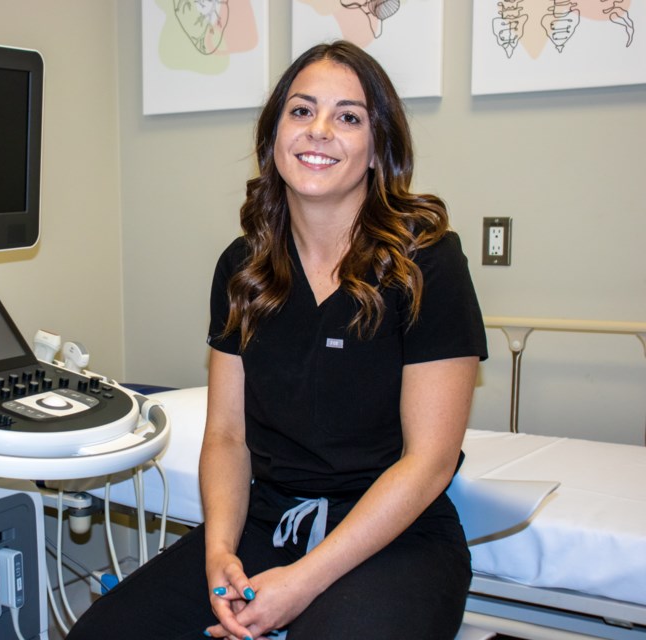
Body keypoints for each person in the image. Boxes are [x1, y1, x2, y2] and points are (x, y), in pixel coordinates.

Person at [67, 40, 487, 640]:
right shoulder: (245, 269)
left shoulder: (426, 265)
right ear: (273, 136)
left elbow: (429, 461)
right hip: (268, 521)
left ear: (377, 149)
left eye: (348, 117)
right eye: (301, 110)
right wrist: (218, 556)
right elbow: (228, 436)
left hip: (393, 533)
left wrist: (303, 580)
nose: (319, 131)